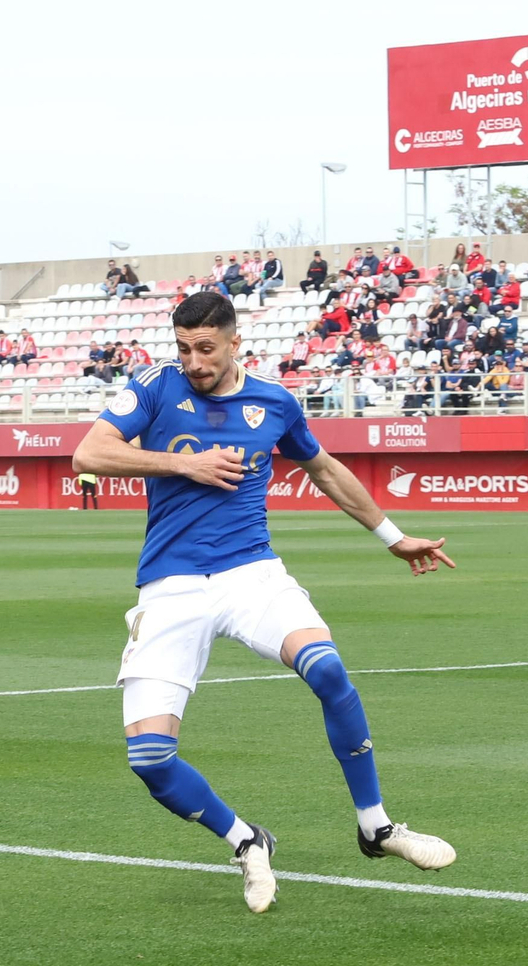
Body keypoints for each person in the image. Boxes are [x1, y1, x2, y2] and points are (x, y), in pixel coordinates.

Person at [68, 290, 457, 913]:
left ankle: (376, 826)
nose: (193, 361)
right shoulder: (155, 387)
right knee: (149, 758)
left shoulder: (273, 401)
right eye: (184, 348)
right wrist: (179, 465)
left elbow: (324, 468)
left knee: (327, 669)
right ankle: (247, 841)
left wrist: (393, 538)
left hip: (251, 572)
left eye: (205, 348)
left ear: (233, 342)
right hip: (171, 584)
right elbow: (89, 452)